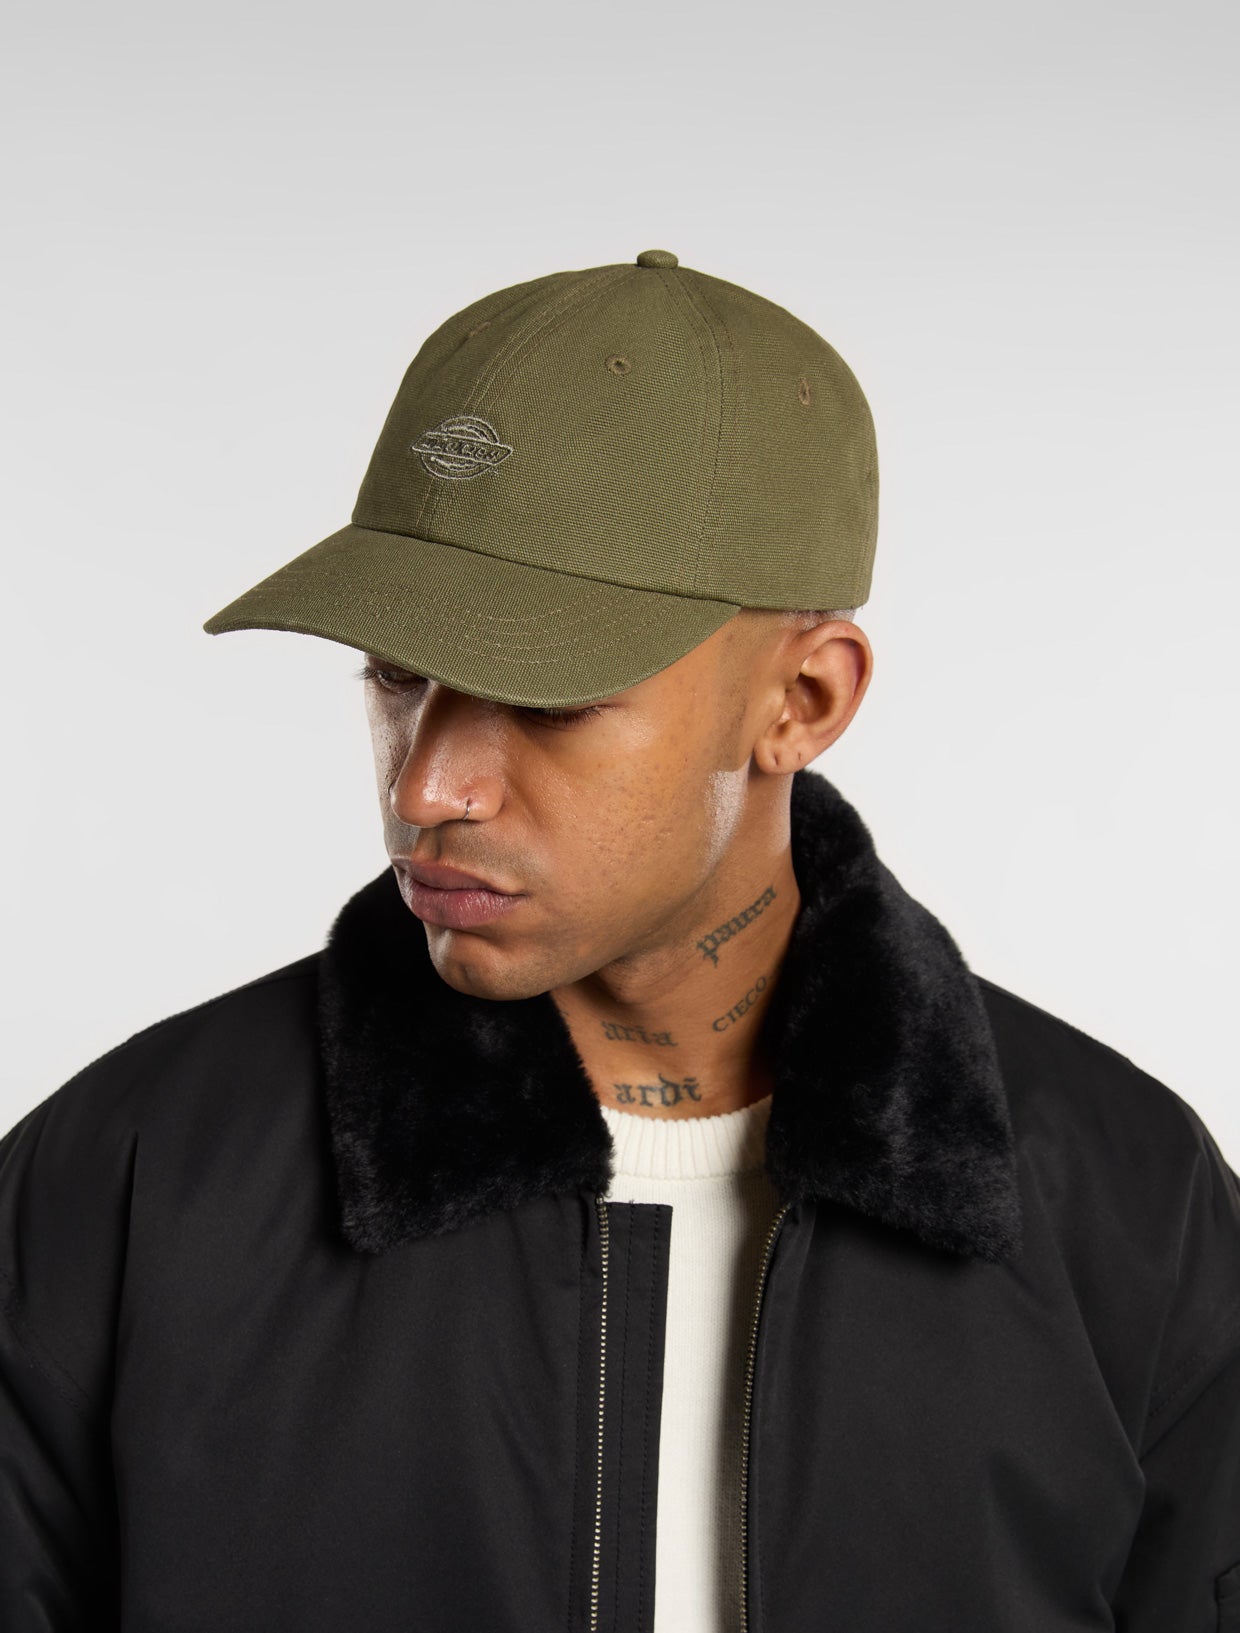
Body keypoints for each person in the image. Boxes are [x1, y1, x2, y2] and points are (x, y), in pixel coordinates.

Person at [2, 248, 1237, 1633]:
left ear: (804, 701)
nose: (428, 785)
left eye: (547, 696)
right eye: (398, 675)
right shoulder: (128, 1182)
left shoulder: (1129, 1206)